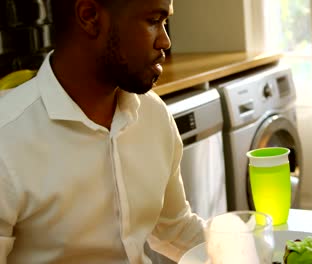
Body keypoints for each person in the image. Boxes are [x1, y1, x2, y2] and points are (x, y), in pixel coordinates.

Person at [0, 0, 205, 263]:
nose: (165, 41)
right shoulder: (8, 138)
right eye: (154, 21)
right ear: (90, 16)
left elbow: (175, 231)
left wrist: (246, 248)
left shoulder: (154, 114)